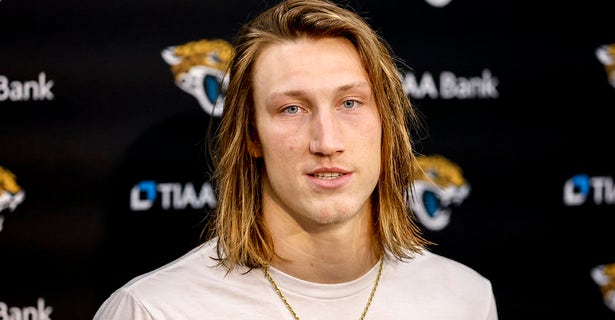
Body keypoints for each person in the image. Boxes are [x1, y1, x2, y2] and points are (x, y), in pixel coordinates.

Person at [93, 0, 499, 319]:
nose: (327, 141)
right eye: (292, 109)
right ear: (251, 135)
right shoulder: (153, 311)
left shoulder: (465, 299)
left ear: (386, 123)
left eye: (350, 103)